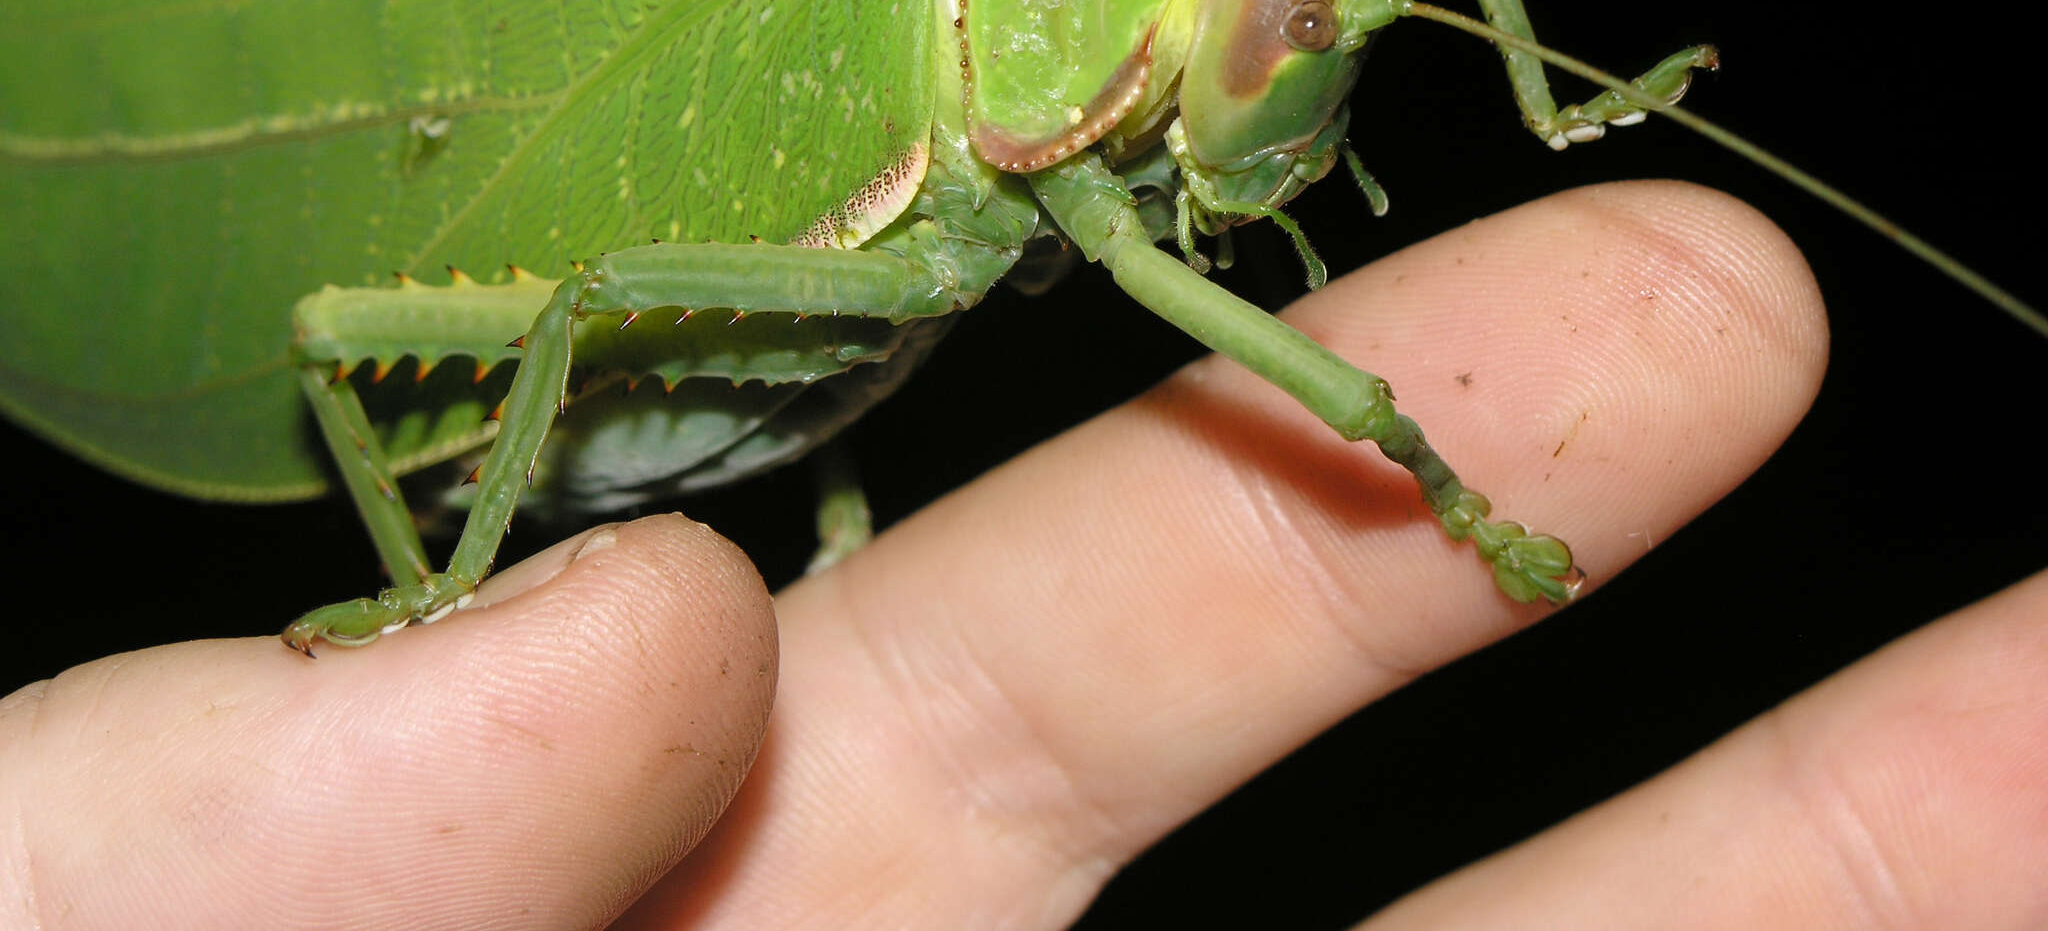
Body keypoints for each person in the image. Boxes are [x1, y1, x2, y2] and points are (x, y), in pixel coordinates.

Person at [4, 182, 2041, 929]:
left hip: (785, 393)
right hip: (619, 372)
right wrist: (1457, 486)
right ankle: (433, 573)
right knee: (504, 316)